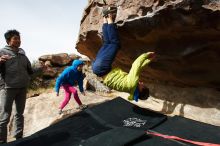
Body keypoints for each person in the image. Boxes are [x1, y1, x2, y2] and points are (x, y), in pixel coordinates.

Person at [92, 7, 156, 102]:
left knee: (115, 44)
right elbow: (140, 68)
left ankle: (109, 16)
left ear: (140, 89)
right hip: (98, 69)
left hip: (103, 67)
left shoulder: (132, 83)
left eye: (143, 85)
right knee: (107, 43)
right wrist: (148, 60)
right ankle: (105, 17)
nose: (142, 82)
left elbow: (136, 65)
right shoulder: (129, 89)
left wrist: (146, 55)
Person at [0, 30, 33, 143]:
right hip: (7, 88)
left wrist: (42, 68)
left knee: (19, 114)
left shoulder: (22, 54)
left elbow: (30, 70)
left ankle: (18, 138)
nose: (18, 40)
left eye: (19, 38)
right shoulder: (2, 52)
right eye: (15, 38)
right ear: (8, 40)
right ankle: (2, 141)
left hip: (22, 88)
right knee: (4, 116)